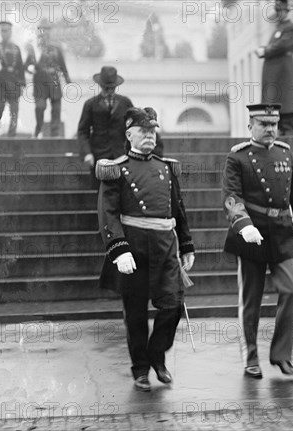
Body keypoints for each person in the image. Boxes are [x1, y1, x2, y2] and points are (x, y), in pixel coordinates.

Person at [95, 107, 195, 391]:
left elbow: (178, 209)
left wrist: (186, 244)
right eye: (144, 131)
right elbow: (108, 213)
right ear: (129, 134)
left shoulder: (165, 168)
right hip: (134, 249)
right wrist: (118, 248)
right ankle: (140, 369)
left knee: (173, 305)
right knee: (136, 314)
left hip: (165, 248)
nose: (150, 135)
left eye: (153, 131)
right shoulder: (116, 169)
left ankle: (157, 355)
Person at [222, 103, 293, 378]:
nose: (270, 129)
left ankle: (282, 355)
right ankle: (251, 357)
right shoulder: (237, 157)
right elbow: (231, 198)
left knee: (292, 291)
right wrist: (243, 224)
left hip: (284, 231)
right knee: (251, 299)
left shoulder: (284, 152)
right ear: (250, 126)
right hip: (253, 234)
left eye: (273, 124)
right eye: (264, 124)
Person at [77, 66, 134, 184]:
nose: (109, 91)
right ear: (100, 86)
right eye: (106, 88)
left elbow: (133, 128)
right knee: (101, 193)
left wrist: (131, 152)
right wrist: (87, 153)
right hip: (99, 157)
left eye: (112, 88)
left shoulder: (125, 103)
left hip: (121, 156)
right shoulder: (90, 104)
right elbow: (83, 132)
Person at [256, 0, 293, 136]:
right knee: (275, 106)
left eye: (281, 11)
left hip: (283, 73)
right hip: (275, 74)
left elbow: (282, 45)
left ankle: (287, 131)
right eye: (278, 11)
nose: (279, 14)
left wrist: (265, 51)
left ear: (287, 12)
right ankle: (280, 130)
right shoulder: (278, 28)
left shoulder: (291, 28)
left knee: (285, 103)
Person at [24, 19, 71, 137]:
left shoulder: (56, 49)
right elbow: (26, 66)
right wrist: (31, 69)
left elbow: (62, 66)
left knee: (56, 109)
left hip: (54, 83)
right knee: (40, 107)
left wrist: (67, 80)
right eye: (42, 30)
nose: (45, 33)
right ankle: (38, 129)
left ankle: (55, 133)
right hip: (39, 83)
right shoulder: (34, 49)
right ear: (39, 32)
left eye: (47, 30)